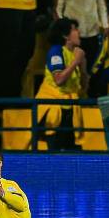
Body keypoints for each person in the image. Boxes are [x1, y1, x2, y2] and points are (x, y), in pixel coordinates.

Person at [55, 0, 108, 95]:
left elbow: (101, 7)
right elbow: (59, 9)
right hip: (74, 37)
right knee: (74, 66)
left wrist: (105, 24)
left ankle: (94, 98)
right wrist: (65, 27)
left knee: (93, 66)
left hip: (92, 33)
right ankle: (73, 95)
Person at [35, 17, 85, 151]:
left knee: (73, 152)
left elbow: (83, 87)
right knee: (55, 152)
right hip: (53, 110)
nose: (79, 32)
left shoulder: (73, 53)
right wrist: (75, 62)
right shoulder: (56, 51)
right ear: (65, 35)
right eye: (74, 29)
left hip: (69, 109)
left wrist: (82, 64)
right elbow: (59, 80)